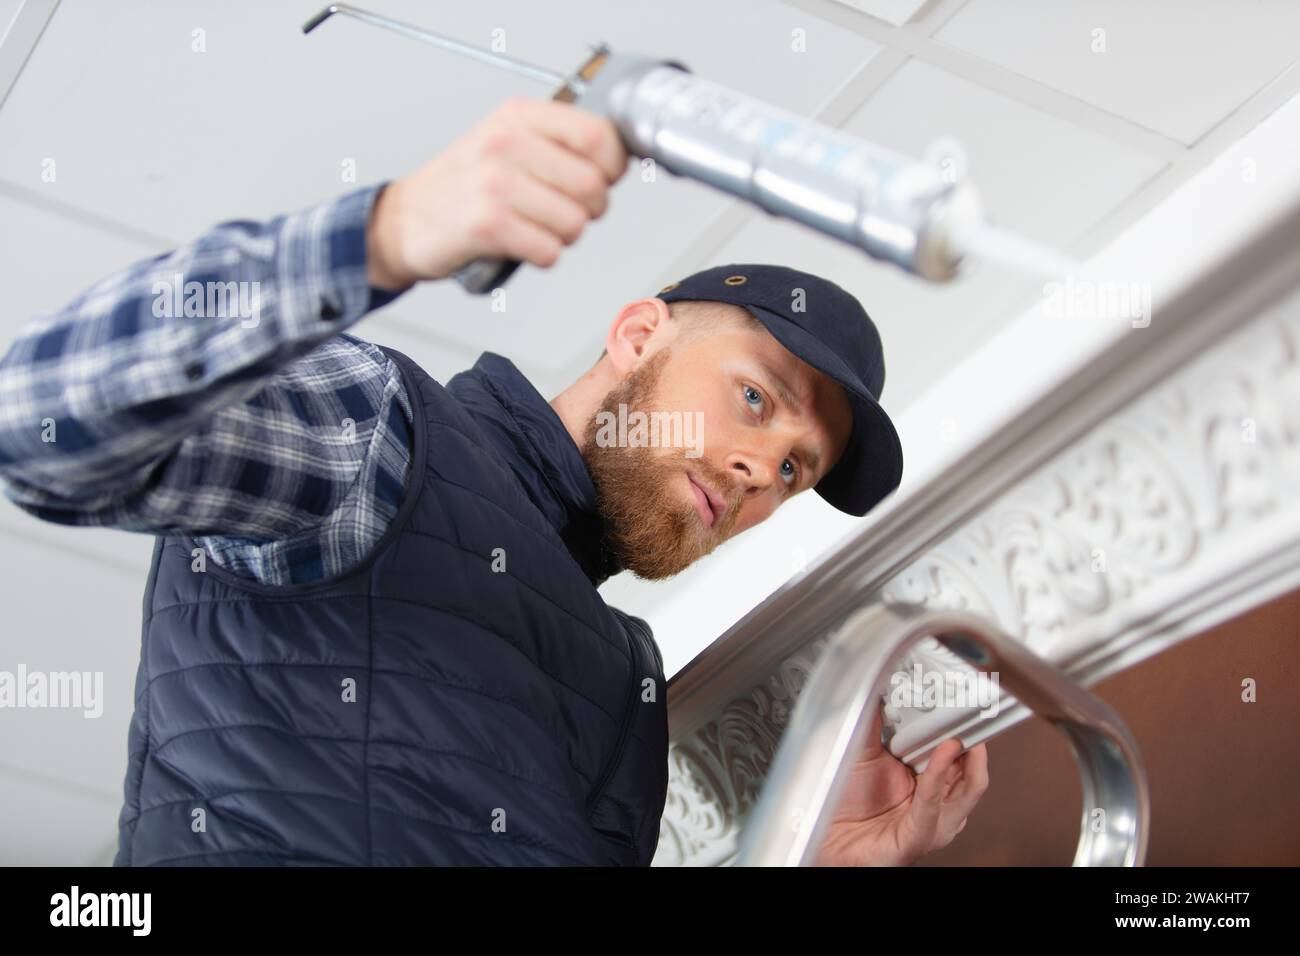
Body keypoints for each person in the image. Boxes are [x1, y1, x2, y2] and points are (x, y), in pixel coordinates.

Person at [0, 97, 987, 866]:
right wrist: (381, 234)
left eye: (794, 470)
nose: (757, 472)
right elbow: (42, 422)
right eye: (756, 400)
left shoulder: (622, 673)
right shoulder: (385, 440)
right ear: (637, 336)